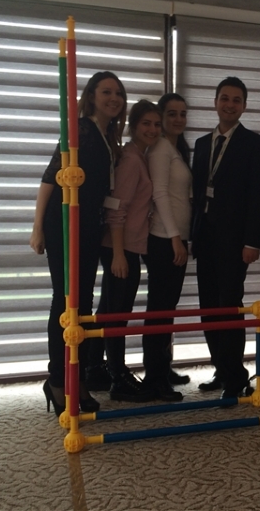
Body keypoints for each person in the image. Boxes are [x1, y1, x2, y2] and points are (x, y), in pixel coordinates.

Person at [30, 71, 126, 417]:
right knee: (66, 301)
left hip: (88, 227)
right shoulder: (81, 129)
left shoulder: (106, 135)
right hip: (64, 223)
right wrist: (37, 226)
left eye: (118, 93)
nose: (113, 98)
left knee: (82, 305)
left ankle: (77, 377)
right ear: (91, 96)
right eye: (106, 92)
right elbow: (51, 176)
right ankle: (57, 379)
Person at [191, 77, 260, 398]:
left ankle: (236, 377)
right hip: (205, 237)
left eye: (236, 100)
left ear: (244, 106)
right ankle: (221, 369)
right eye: (224, 98)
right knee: (208, 308)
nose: (229, 104)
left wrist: (253, 241)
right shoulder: (201, 144)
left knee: (229, 306)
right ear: (215, 102)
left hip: (236, 241)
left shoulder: (256, 144)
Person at [97, 100, 174, 403]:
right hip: (121, 247)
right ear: (133, 125)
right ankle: (118, 377)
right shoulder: (131, 160)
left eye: (156, 124)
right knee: (118, 315)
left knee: (112, 311)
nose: (152, 129)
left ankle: (103, 369)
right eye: (146, 124)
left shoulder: (138, 156)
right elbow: (116, 209)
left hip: (127, 246)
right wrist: (118, 254)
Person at [141, 93, 193, 396]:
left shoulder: (175, 148)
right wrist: (175, 238)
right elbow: (159, 194)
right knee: (159, 309)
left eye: (182, 114)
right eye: (172, 113)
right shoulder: (160, 149)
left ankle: (163, 366)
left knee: (167, 307)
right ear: (161, 117)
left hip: (175, 237)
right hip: (163, 239)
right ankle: (154, 377)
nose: (178, 119)